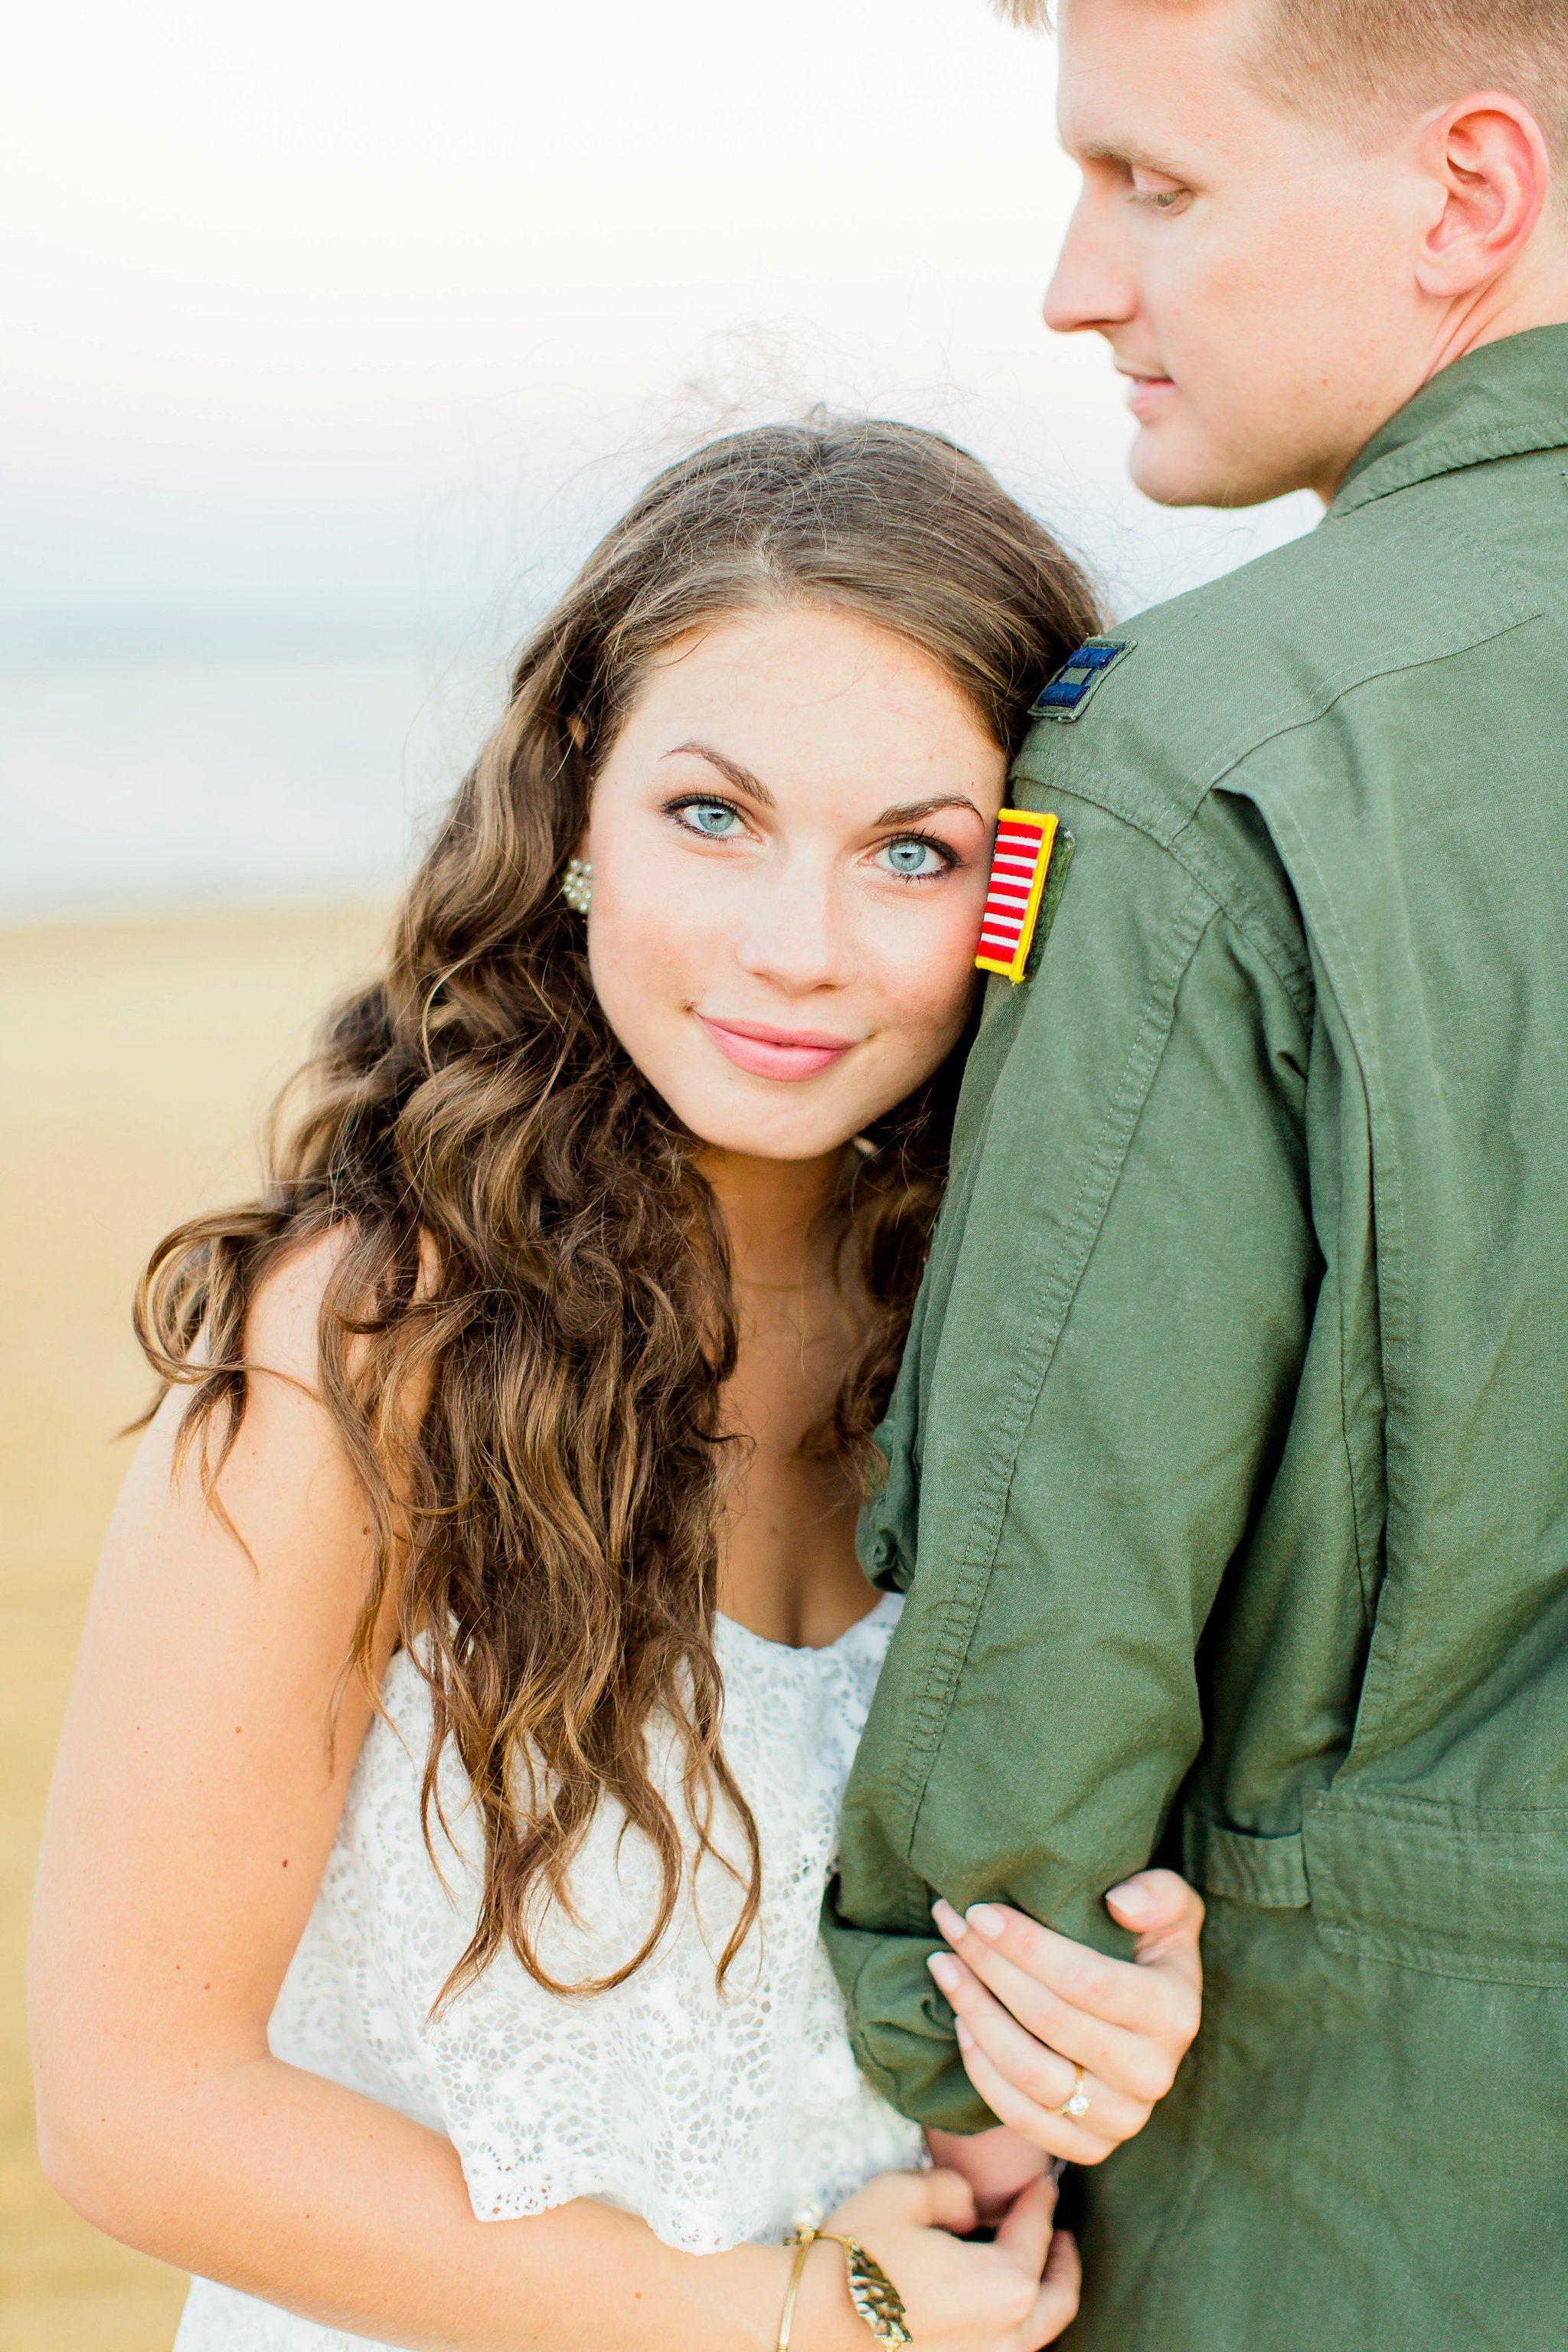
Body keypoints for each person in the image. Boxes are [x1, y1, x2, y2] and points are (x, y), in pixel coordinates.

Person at [28, 421, 1206, 2352]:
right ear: (574, 815)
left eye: (913, 853)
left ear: (1016, 902)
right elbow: (133, 2113)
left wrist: (1082, 2042)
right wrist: (781, 2321)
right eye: (712, 817)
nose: (792, 950)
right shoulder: (364, 1343)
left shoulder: (1015, 1327)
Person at [825, 2, 1568, 2346]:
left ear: (1469, 191)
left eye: (1154, 182)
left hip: (1347, 2186)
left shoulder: (1211, 755)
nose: (1077, 281)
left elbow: (1067, 1555)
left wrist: (955, 2052)